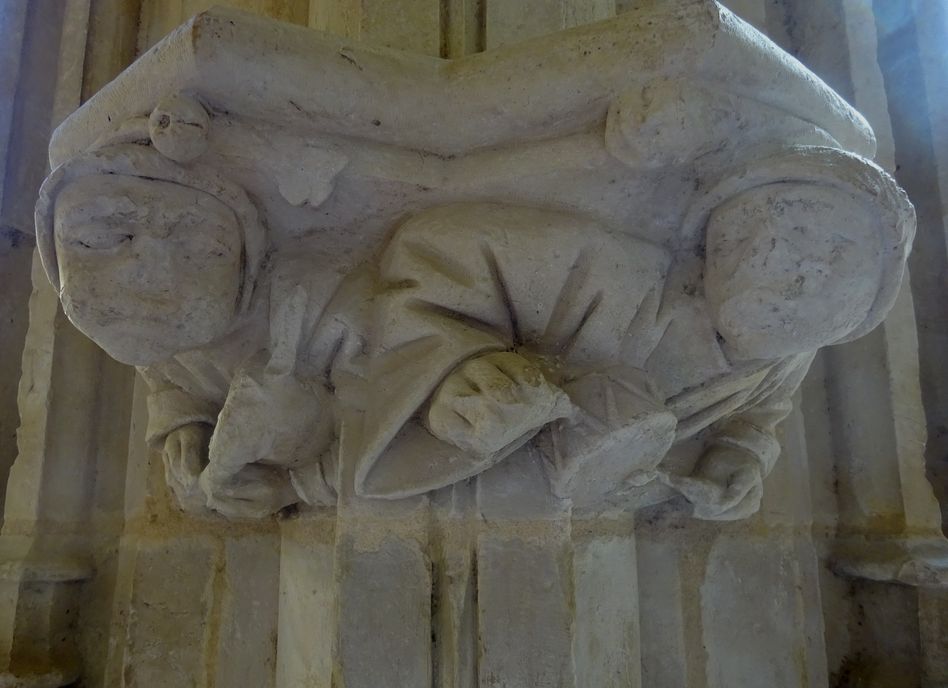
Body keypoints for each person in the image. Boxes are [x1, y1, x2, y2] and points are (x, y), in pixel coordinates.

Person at [352, 146, 914, 519]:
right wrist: (456, 370)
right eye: (791, 242)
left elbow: (760, 416)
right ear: (722, 237)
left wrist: (737, 456)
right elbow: (434, 240)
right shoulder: (604, 270)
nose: (802, 276)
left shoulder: (785, 358)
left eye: (839, 271)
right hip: (449, 505)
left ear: (859, 314)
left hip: (554, 522)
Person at [34, 113, 356, 518]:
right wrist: (186, 423)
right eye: (101, 238)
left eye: (202, 248)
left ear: (247, 268)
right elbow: (168, 369)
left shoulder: (319, 309)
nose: (150, 275)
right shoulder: (162, 331)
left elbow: (406, 414)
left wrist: (299, 483)